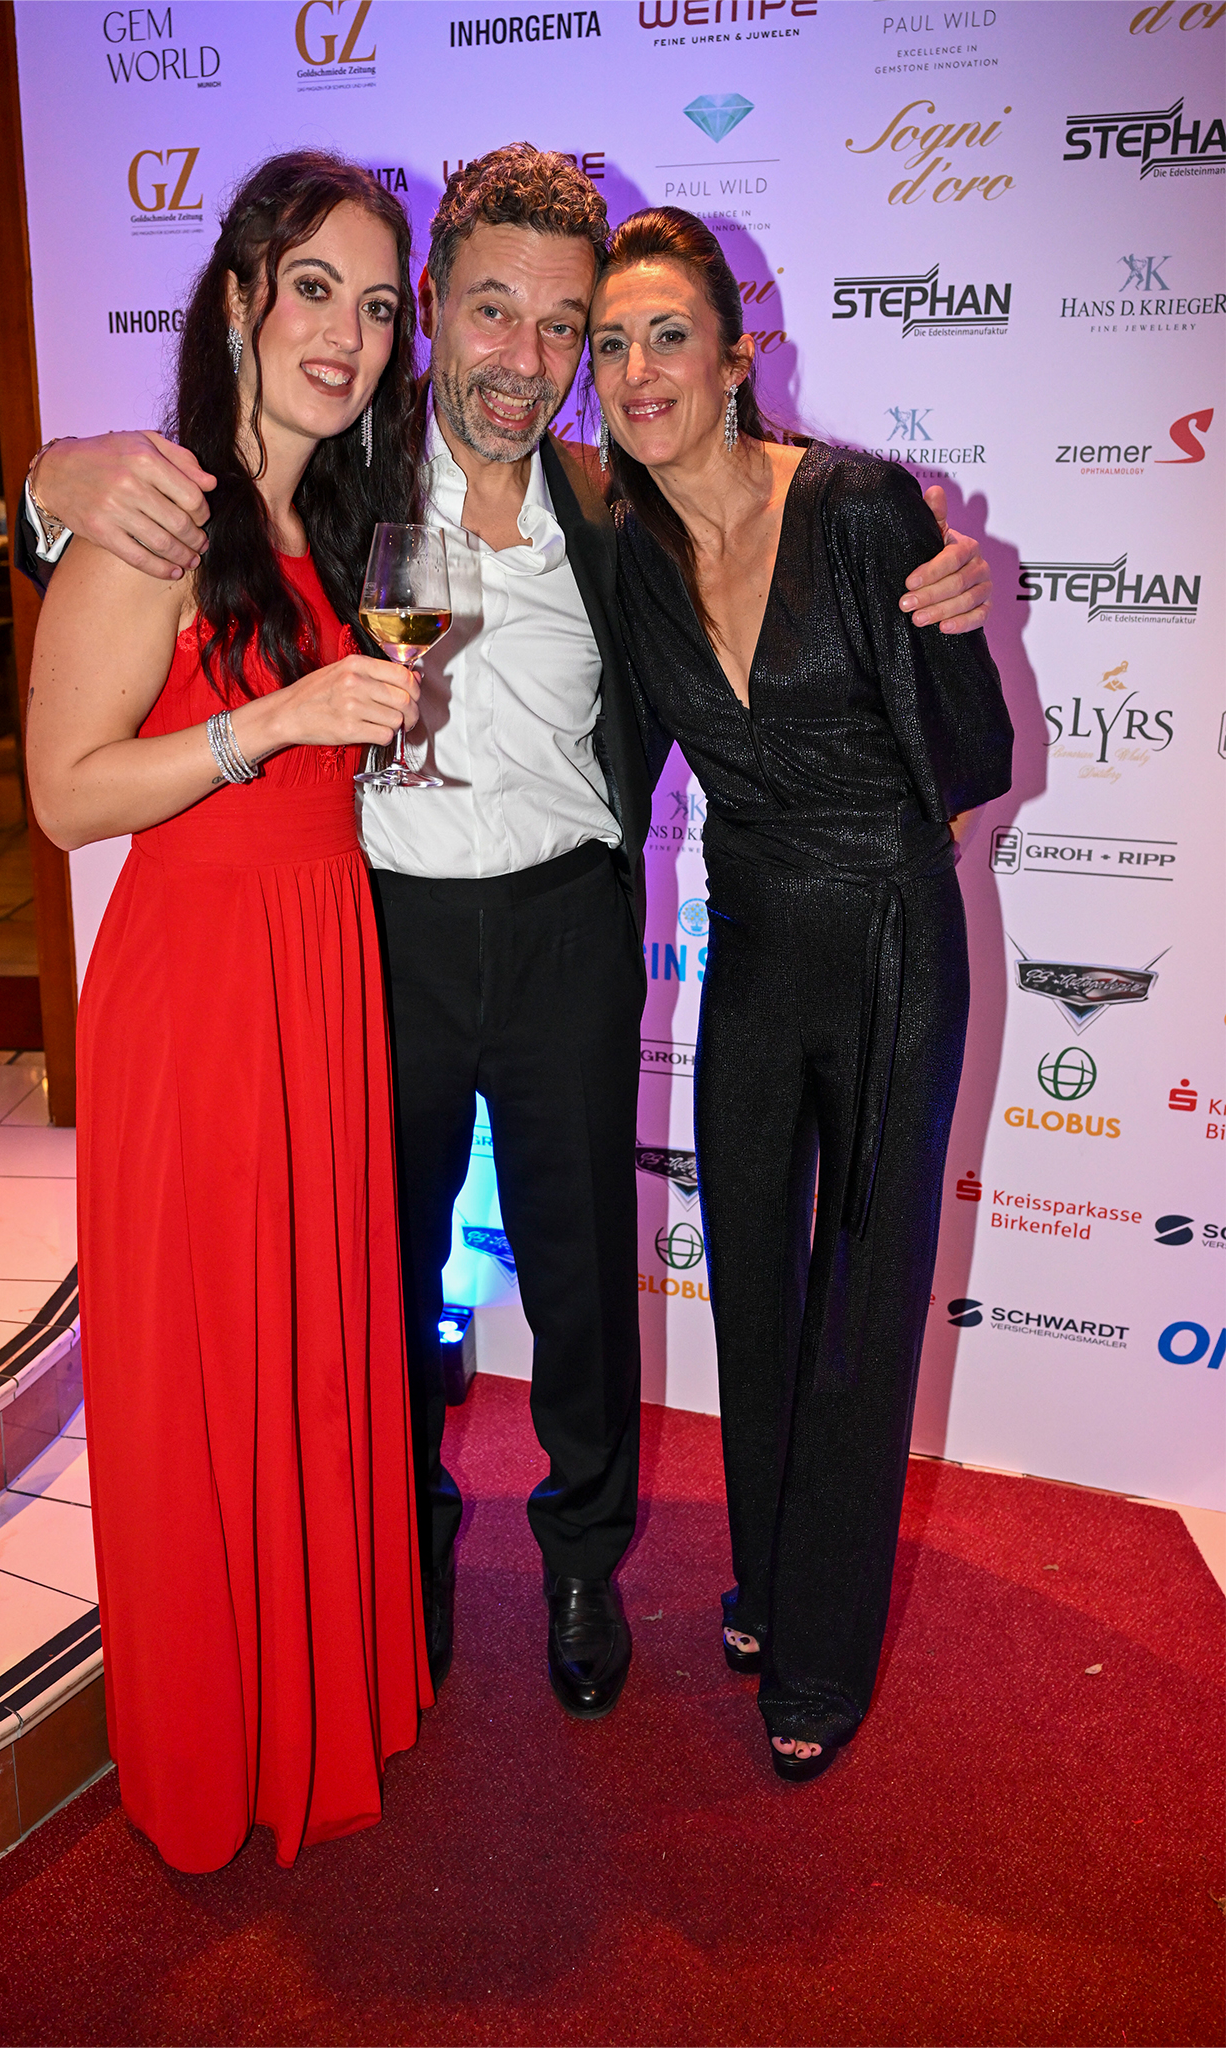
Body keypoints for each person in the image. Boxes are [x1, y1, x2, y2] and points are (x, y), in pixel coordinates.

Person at [19, 147, 993, 1728]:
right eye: (490, 311)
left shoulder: (613, 505)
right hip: (377, 932)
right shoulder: (343, 460)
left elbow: (766, 502)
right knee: (379, 1275)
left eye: (560, 325)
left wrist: (918, 532)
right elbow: (166, 526)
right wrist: (46, 482)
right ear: (431, 311)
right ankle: (400, 1550)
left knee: (585, 1279)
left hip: (565, 929)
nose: (524, 358)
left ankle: (583, 1560)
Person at [23, 151, 432, 1873]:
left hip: (316, 977)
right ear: (242, 295)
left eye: (378, 305)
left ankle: (313, 1698)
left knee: (309, 1355)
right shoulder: (161, 514)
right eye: (315, 287)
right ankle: (215, 1738)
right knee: (212, 1370)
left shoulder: (335, 525)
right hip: (199, 1003)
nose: (347, 333)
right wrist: (270, 727)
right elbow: (64, 794)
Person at [589, 207, 1013, 1781]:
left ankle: (820, 1659)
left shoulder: (855, 509)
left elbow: (970, 752)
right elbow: (617, 766)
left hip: (892, 935)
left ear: (734, 355)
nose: (638, 370)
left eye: (669, 335)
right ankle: (766, 1584)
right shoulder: (626, 551)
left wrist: (956, 580)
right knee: (754, 1286)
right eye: (609, 344)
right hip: (752, 945)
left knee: (862, 1297)